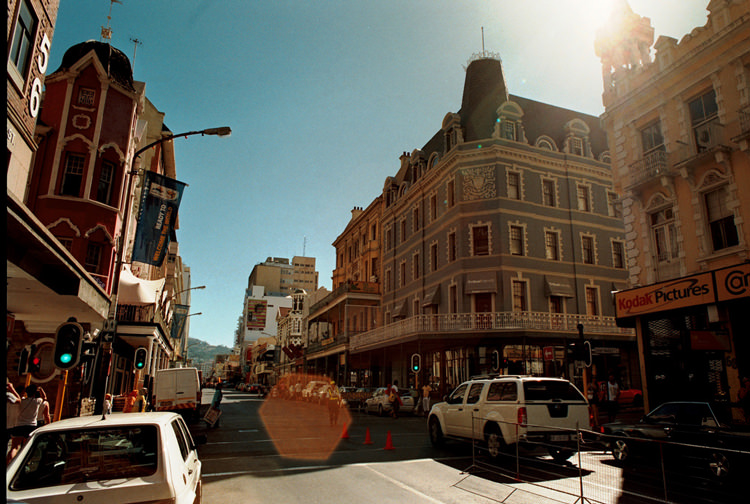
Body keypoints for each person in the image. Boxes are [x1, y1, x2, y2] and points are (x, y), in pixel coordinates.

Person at [8, 384, 44, 463]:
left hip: (19, 425)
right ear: (35, 393)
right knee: (26, 448)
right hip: (31, 426)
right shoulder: (37, 401)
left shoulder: (22, 401)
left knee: (14, 447)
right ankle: (24, 463)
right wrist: (40, 390)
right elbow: (44, 398)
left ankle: (9, 463)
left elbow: (18, 398)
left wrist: (11, 388)